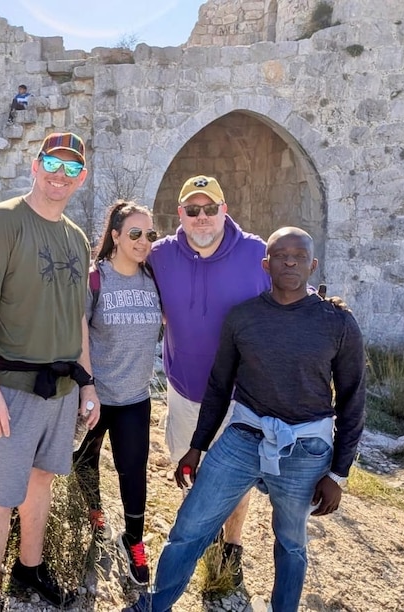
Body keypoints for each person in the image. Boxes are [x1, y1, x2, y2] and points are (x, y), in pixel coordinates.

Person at [128, 226, 366, 612]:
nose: (290, 261)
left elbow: (353, 400)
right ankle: (154, 605)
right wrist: (197, 447)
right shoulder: (244, 318)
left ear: (313, 264)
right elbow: (220, 386)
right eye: (282, 255)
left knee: (291, 542)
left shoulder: (337, 323)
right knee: (189, 526)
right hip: (243, 436)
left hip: (305, 449)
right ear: (266, 264)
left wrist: (338, 473)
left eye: (299, 256)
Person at [0, 132, 100, 612]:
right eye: (53, 165)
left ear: (81, 179)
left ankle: (29, 568)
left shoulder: (77, 238)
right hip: (11, 389)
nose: (61, 176)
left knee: (41, 482)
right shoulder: (1, 223)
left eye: (72, 169)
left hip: (61, 391)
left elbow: (76, 317)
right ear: (35, 165)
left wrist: (87, 381)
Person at [146, 174, 270, 584]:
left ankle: (231, 544)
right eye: (193, 210)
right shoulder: (161, 254)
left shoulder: (257, 253)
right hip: (185, 390)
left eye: (210, 209)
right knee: (189, 467)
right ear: (180, 214)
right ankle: (207, 530)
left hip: (242, 395)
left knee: (236, 475)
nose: (202, 218)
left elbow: (290, 296)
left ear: (224, 211)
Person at [72, 200, 162, 586]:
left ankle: (134, 541)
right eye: (135, 234)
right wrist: (87, 386)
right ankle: (94, 512)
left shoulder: (154, 279)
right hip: (97, 395)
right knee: (84, 460)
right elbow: (79, 333)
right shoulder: (96, 279)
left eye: (150, 235)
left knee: (133, 473)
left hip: (135, 400)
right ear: (115, 236)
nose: (143, 241)